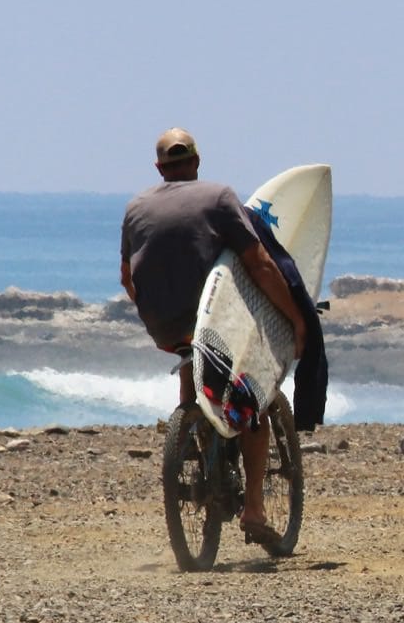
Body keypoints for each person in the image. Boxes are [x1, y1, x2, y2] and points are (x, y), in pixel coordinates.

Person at [120, 128, 307, 547]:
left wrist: (155, 314)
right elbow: (258, 264)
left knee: (194, 365)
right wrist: (294, 317)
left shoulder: (136, 207)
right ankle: (255, 509)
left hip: (164, 325)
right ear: (197, 161)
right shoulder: (220, 197)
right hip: (214, 325)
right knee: (250, 401)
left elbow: (127, 277)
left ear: (159, 168)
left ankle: (193, 427)